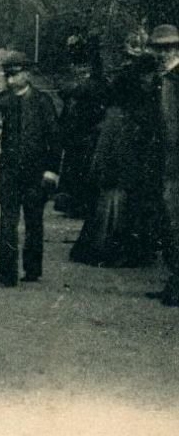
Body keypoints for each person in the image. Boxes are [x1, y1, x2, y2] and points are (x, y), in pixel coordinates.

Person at [70, 35, 161, 268]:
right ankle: (116, 249)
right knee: (120, 200)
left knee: (111, 201)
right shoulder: (129, 112)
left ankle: (104, 246)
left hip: (115, 153)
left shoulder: (116, 110)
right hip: (122, 157)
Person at [0, 50, 61, 286]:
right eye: (7, 76)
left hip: (37, 171)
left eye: (15, 75)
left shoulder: (43, 102)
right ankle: (7, 274)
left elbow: (55, 139)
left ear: (27, 74)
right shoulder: (5, 99)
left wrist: (51, 171)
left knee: (34, 220)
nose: (10, 80)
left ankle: (32, 269)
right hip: (9, 170)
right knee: (8, 220)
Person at [53, 35, 108, 218]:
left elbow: (77, 91)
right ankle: (73, 202)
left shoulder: (93, 83)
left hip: (85, 130)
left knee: (78, 167)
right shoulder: (93, 80)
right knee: (75, 166)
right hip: (77, 129)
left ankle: (76, 203)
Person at [150, 24, 179, 306]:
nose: (162, 53)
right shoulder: (163, 78)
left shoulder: (175, 78)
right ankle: (173, 280)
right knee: (168, 223)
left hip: (176, 162)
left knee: (175, 221)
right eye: (158, 48)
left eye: (168, 48)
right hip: (164, 161)